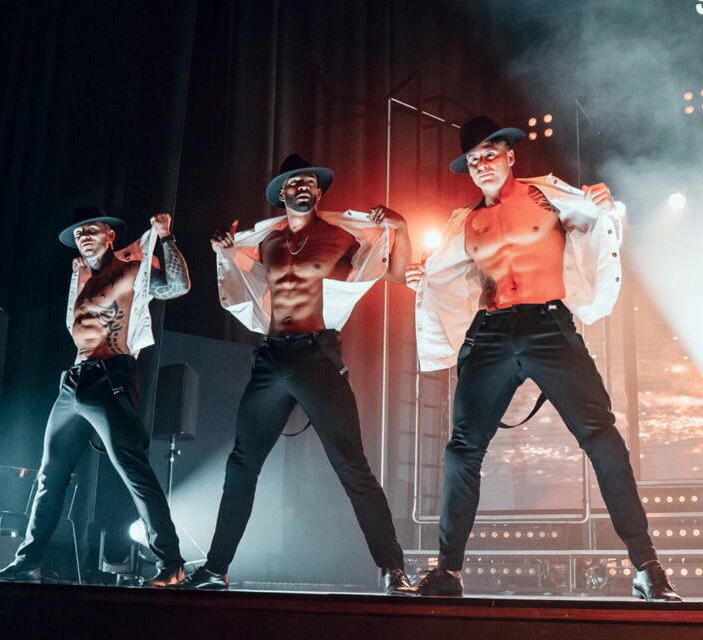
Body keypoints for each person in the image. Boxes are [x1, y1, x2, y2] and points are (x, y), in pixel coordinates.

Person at [407, 117, 681, 602]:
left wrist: (603, 204)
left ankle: (647, 567)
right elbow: (445, 276)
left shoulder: (548, 197)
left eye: (490, 154)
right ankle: (448, 573)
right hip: (491, 332)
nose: (482, 165)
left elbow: (597, 224)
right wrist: (421, 279)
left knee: (602, 438)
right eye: (473, 160)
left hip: (547, 325)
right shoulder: (465, 223)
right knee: (462, 450)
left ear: (510, 156)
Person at [179, 154, 415, 594]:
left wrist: (400, 228)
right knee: (242, 464)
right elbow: (238, 271)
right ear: (281, 194)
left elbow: (396, 274)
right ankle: (215, 569)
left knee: (351, 464)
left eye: (308, 181)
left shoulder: (340, 236)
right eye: (293, 183)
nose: (301, 187)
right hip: (271, 356)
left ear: (319, 191)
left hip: (316, 354)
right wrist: (223, 249)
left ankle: (393, 568)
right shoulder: (268, 243)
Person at [0, 206, 191, 587]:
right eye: (79, 234)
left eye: (92, 230)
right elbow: (75, 326)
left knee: (134, 471)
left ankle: (171, 563)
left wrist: (166, 237)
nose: (85, 237)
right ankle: (28, 563)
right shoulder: (80, 278)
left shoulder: (130, 272)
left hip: (111, 377)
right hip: (74, 381)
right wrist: (81, 271)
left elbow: (177, 287)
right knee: (50, 474)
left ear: (111, 235)